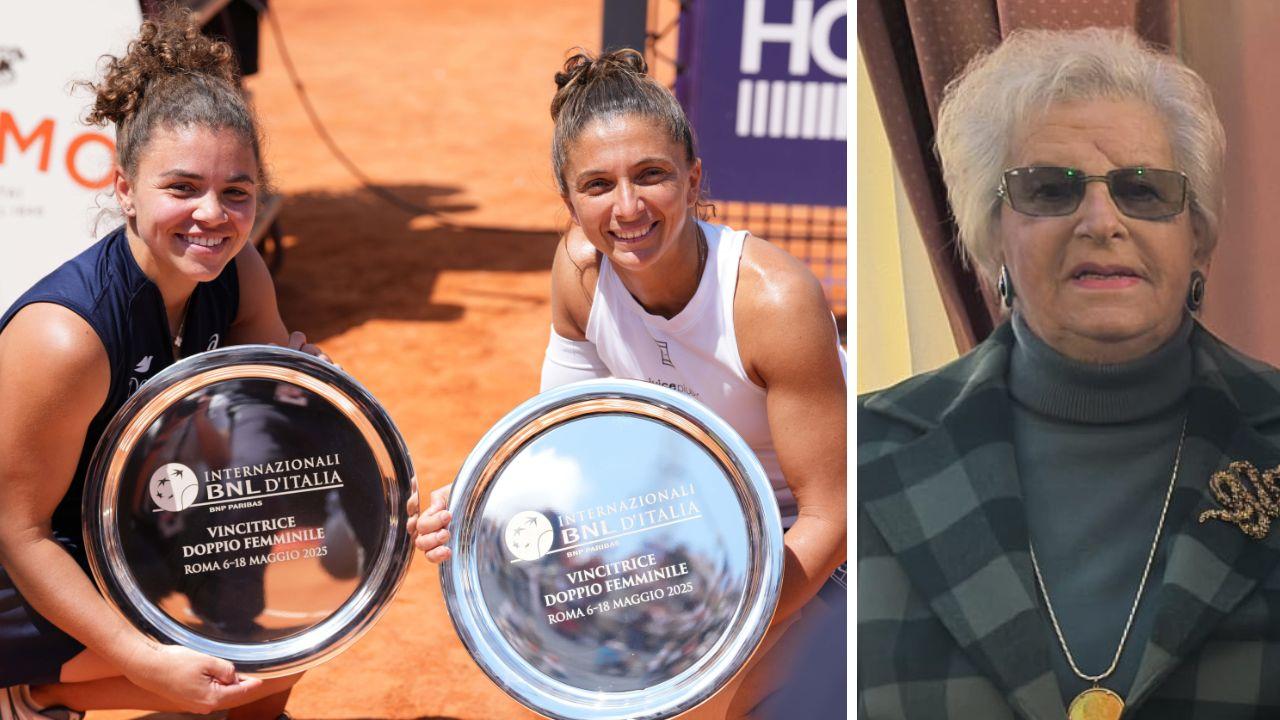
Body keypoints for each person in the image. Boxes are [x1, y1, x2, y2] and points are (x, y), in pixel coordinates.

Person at [410, 49, 847, 719]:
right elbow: (562, 457)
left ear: (694, 180)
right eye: (598, 185)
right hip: (687, 536)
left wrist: (708, 642)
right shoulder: (579, 275)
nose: (628, 207)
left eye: (652, 176)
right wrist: (475, 510)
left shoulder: (773, 301)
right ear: (568, 201)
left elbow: (832, 516)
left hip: (808, 553)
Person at [858, 27, 1280, 718]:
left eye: (1143, 191)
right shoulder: (867, 452)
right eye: (1050, 189)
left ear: (1197, 236)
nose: (1100, 220)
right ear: (992, 234)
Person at [0, 11, 318, 718]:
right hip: (29, 564)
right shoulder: (65, 337)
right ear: (124, 189)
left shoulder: (242, 280)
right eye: (182, 188)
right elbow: (17, 530)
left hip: (136, 519)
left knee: (276, 664)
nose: (213, 214)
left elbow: (259, 427)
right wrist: (142, 659)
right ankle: (34, 691)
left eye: (236, 191)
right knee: (244, 677)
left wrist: (305, 406)